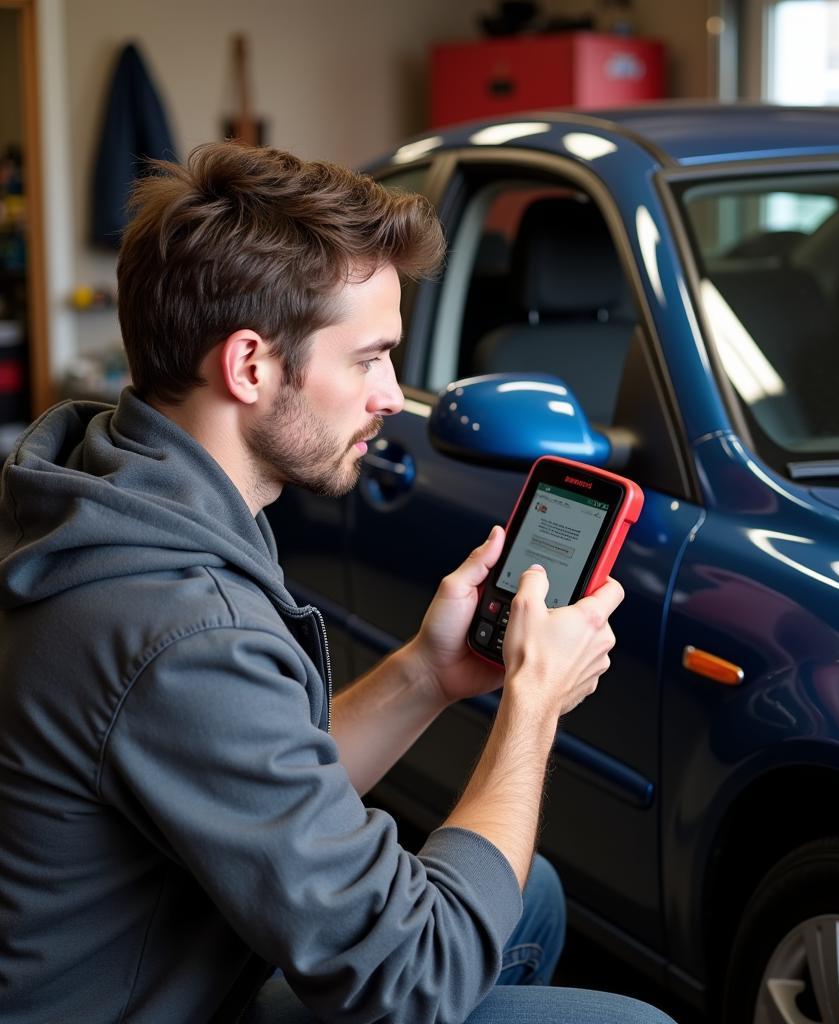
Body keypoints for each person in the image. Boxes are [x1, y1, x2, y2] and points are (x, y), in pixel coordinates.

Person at [0, 142, 677, 1024]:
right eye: (368, 359)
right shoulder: (180, 625)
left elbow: (254, 767)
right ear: (250, 366)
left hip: (179, 961)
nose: (394, 396)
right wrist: (533, 709)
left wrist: (427, 675)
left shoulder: (116, 498)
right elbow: (412, 979)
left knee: (530, 893)